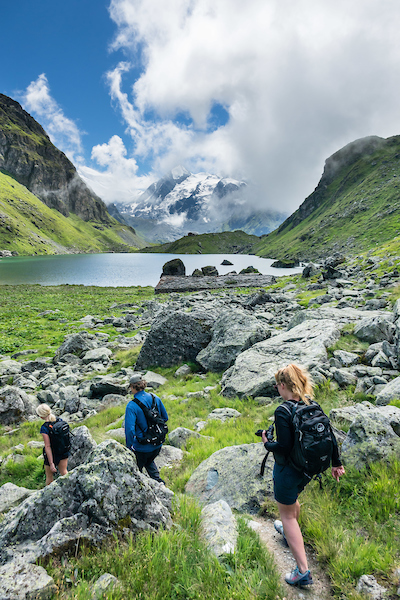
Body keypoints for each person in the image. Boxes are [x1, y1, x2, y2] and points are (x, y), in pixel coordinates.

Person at [262, 363, 345, 587]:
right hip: (308, 470)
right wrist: (336, 463)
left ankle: (303, 572)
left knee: (287, 515)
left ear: (282, 385)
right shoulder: (312, 404)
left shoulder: (283, 410)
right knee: (293, 501)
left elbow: (284, 447)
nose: (276, 389)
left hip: (288, 470)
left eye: (277, 385)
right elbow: (330, 434)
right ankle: (291, 534)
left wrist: (267, 443)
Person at [125, 374, 168, 484]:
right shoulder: (155, 398)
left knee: (134, 473)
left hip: (141, 448)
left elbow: (130, 430)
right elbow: (165, 418)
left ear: (133, 387)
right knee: (149, 461)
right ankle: (159, 483)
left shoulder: (131, 406)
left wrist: (129, 449)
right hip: (157, 445)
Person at [36, 404, 69, 486]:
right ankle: (71, 488)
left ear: (41, 416)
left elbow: (47, 446)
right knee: (64, 472)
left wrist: (51, 463)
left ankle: (48, 495)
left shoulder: (44, 428)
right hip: (63, 450)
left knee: (49, 477)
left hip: (53, 453)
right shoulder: (59, 420)